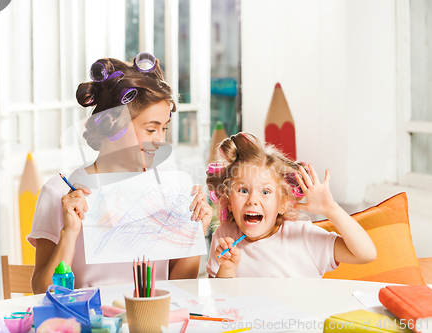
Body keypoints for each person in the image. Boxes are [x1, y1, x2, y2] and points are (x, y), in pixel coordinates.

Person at [29, 53, 212, 294]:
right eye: (151, 129)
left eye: (164, 129)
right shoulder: (60, 192)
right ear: (113, 124)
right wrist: (70, 233)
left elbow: (179, 290)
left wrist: (194, 232)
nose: (161, 141)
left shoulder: (168, 189)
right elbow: (42, 291)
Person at [206, 132, 377, 278]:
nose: (252, 200)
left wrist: (331, 209)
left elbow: (366, 254)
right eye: (243, 190)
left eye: (265, 192)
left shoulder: (303, 236)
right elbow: (219, 300)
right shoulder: (224, 237)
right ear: (228, 201)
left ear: (283, 204)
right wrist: (227, 268)